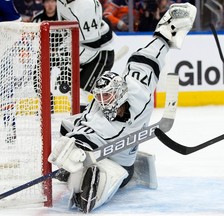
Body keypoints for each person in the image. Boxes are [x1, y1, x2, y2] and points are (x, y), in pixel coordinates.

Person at [48, 2, 196, 213]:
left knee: (99, 180)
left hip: (119, 161)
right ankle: (72, 169)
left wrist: (168, 31)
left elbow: (107, 129)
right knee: (69, 127)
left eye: (107, 96)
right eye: (99, 96)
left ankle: (86, 183)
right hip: (95, 146)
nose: (103, 101)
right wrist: (71, 140)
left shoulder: (139, 95)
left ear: (119, 93)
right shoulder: (99, 104)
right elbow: (89, 121)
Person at [56, 0, 115, 112]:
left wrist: (69, 66)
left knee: (80, 93)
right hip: (82, 48)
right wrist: (64, 60)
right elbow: (67, 32)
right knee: (74, 92)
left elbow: (93, 45)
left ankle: (81, 124)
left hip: (100, 53)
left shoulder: (85, 6)